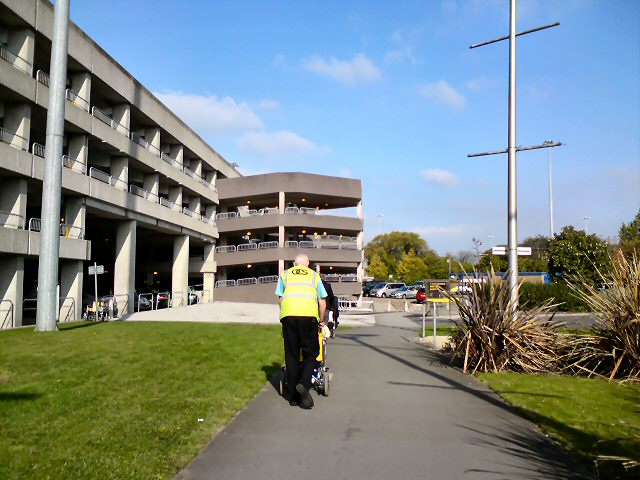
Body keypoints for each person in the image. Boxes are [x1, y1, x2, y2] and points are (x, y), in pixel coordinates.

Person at [276, 253, 327, 409]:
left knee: (291, 355)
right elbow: (322, 301)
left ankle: (292, 397)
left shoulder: (285, 275)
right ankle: (303, 383)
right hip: (308, 317)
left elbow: (280, 298)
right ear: (307, 264)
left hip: (288, 317)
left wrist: (285, 314)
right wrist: (321, 320)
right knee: (311, 352)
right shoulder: (314, 276)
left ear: (294, 264)